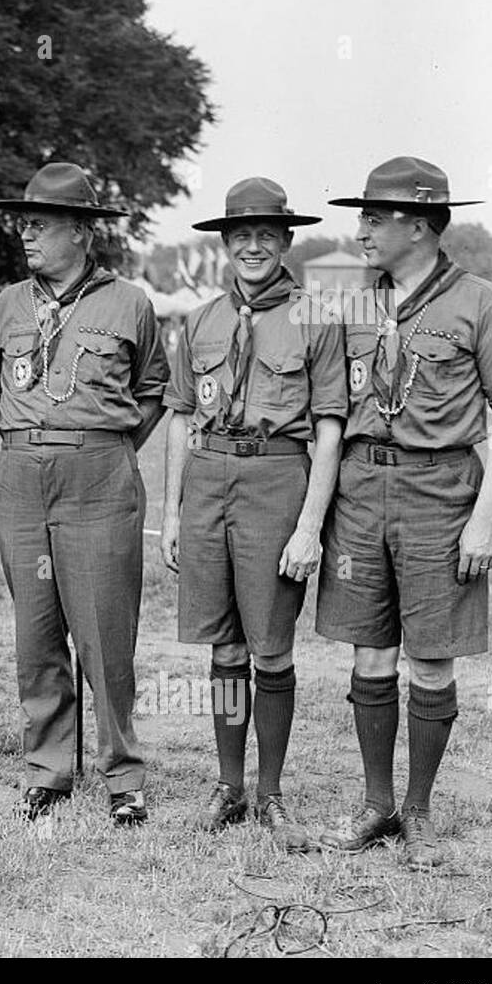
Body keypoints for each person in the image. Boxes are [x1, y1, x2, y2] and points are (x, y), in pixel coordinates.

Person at [315, 156, 492, 869]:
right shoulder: (347, 301)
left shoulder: (480, 303)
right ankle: (377, 804)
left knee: (430, 659)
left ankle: (420, 810)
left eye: (374, 218)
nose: (362, 229)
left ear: (421, 224)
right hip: (360, 488)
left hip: (440, 493)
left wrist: (485, 519)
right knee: (369, 651)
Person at [160, 178, 346, 850]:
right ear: (225, 243)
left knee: (271, 646)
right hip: (208, 478)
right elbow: (180, 418)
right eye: (242, 235)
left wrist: (308, 526)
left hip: (276, 479)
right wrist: (174, 511)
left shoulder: (317, 317)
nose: (254, 247)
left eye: (268, 235)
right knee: (224, 642)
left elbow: (329, 427)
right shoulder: (201, 319)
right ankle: (227, 784)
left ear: (287, 241)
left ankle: (270, 793)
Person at [0, 162, 169, 822]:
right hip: (22, 478)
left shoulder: (130, 302)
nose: (27, 235)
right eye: (24, 223)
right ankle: (49, 768)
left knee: (102, 631)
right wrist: (33, 444)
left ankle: (123, 774)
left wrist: (102, 447)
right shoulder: (7, 303)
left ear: (82, 231)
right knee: (36, 632)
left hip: (99, 479)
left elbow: (152, 394)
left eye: (42, 224)